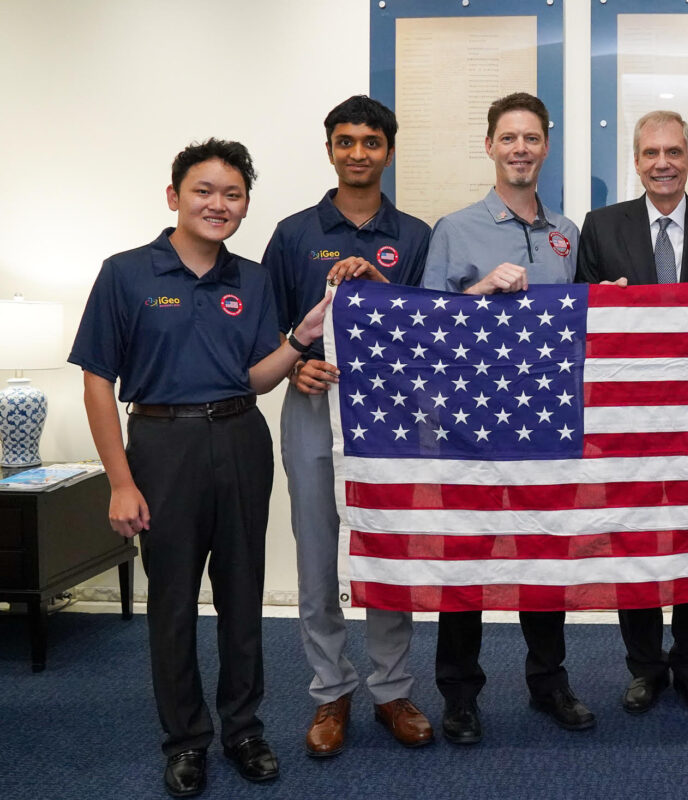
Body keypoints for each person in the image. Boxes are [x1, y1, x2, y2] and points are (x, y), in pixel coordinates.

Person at [69, 139, 328, 797]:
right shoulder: (126, 273)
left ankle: (243, 728)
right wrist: (121, 480)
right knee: (175, 602)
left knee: (243, 594)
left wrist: (301, 337)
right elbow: (98, 381)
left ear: (245, 205)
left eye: (232, 194)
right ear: (174, 197)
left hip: (240, 438)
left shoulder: (252, 278)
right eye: (204, 191)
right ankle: (186, 740)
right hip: (161, 448)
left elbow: (259, 377)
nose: (218, 204)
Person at [260, 96, 432, 758]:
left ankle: (392, 689)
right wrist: (297, 362)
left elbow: (429, 330)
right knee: (315, 551)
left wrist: (379, 283)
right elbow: (268, 328)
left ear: (388, 150)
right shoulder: (294, 232)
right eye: (345, 141)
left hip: (391, 416)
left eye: (370, 142)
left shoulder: (415, 235)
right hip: (312, 406)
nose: (357, 152)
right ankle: (330, 688)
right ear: (329, 149)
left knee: (387, 550)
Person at [422, 92, 590, 742]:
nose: (520, 148)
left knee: (545, 560)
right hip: (471, 425)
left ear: (545, 146)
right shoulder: (454, 228)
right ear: (489, 145)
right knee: (465, 562)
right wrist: (478, 291)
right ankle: (460, 696)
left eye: (531, 138)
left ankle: (549, 682)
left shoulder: (566, 233)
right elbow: (425, 329)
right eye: (508, 137)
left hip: (545, 421)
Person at [575, 110, 688, 718]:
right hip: (631, 420)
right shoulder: (600, 227)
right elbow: (581, 319)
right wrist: (604, 305)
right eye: (650, 153)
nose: (662, 163)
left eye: (674, 151)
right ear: (636, 161)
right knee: (636, 543)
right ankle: (645, 667)